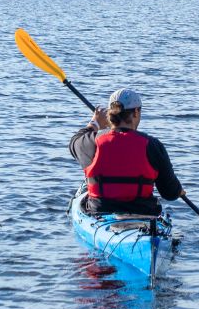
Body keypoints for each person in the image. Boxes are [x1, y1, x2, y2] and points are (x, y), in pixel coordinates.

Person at [67, 87, 184, 217]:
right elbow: (170, 193)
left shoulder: (93, 141)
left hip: (100, 211)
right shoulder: (153, 145)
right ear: (136, 112)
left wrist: (95, 123)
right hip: (144, 213)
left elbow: (74, 143)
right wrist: (179, 191)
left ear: (110, 113)